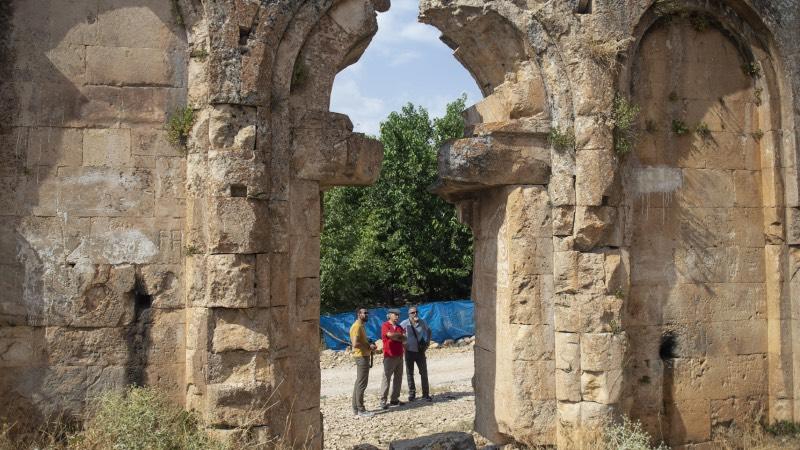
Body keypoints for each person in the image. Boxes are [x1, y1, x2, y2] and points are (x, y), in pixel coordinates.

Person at [400, 306, 433, 402]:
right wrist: (403, 344)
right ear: (409, 314)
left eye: (416, 312)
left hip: (420, 351)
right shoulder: (404, 323)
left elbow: (429, 331)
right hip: (409, 352)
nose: (415, 314)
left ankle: (426, 394)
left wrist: (427, 342)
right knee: (410, 374)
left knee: (423, 373)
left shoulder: (422, 322)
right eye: (412, 312)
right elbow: (398, 333)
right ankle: (412, 394)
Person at [350, 307, 376, 418]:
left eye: (367, 313)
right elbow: (355, 344)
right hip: (361, 356)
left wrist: (368, 344)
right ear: (358, 314)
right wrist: (368, 346)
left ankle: (356, 408)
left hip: (362, 355)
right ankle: (361, 410)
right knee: (362, 384)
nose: (366, 314)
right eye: (363, 313)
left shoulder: (361, 326)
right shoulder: (357, 326)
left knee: (358, 383)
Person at [379, 308, 406, 409]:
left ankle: (394, 399)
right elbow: (389, 335)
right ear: (389, 315)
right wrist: (398, 336)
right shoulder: (385, 325)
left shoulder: (399, 327)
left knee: (398, 378)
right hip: (389, 356)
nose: (397, 317)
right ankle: (383, 400)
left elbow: (404, 339)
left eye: (398, 315)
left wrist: (397, 337)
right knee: (386, 378)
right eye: (395, 314)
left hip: (399, 355)